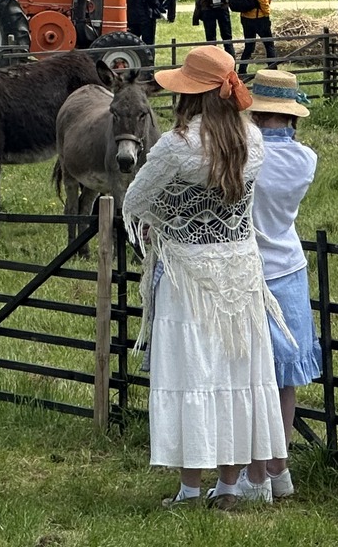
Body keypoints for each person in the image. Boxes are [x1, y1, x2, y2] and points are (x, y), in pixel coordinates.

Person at [123, 44, 285, 509]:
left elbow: (135, 201)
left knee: (192, 371)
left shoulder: (177, 145)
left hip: (189, 273)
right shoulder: (251, 139)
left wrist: (168, 216)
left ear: (189, 94)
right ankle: (230, 486)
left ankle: (190, 489)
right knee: (237, 372)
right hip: (241, 269)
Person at [244, 70, 320, 503]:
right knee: (284, 378)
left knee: (251, 377)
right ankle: (280, 470)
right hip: (289, 267)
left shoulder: (242, 156)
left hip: (248, 270)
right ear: (291, 116)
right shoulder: (305, 159)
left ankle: (253, 476)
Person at [230, 0, 275, 75]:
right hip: (259, 17)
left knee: (249, 46)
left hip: (245, 16)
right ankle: (273, 72)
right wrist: (266, 12)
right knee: (269, 44)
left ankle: (242, 72)